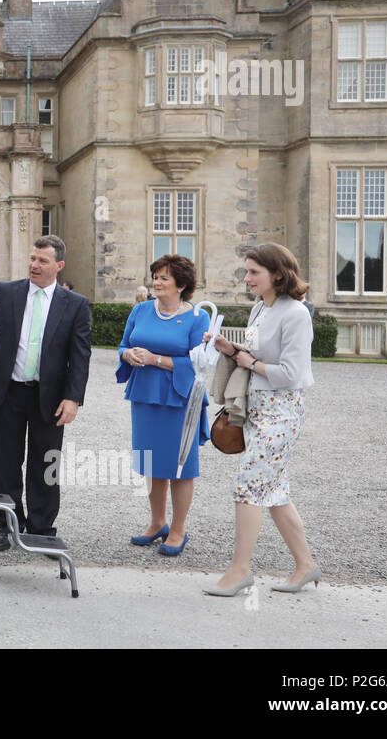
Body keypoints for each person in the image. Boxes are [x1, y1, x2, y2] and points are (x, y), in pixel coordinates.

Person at [204, 243, 320, 596]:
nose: (247, 277)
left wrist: (250, 364)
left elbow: (291, 373)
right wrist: (231, 350)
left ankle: (239, 570)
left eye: (254, 271)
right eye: (247, 270)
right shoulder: (259, 308)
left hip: (282, 414)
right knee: (275, 491)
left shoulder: (296, 314)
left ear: (278, 275)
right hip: (257, 411)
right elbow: (255, 354)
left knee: (248, 487)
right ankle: (306, 565)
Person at [0, 235, 92, 545]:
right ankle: (8, 525)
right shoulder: (8, 292)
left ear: (59, 266)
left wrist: (73, 398)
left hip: (50, 398)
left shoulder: (76, 305)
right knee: (5, 463)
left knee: (46, 464)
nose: (34, 265)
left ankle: (41, 529)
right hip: (8, 392)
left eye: (42, 261)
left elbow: (80, 356)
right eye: (32, 259)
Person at [116, 255, 210, 556]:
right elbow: (123, 345)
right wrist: (128, 356)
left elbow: (200, 363)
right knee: (151, 462)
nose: (156, 282)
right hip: (145, 394)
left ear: (181, 285)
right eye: (155, 276)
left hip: (179, 397)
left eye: (164, 278)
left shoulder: (198, 318)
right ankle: (157, 523)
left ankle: (179, 529)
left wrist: (156, 359)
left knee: (181, 465)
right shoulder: (141, 310)